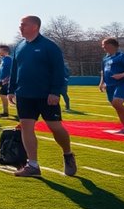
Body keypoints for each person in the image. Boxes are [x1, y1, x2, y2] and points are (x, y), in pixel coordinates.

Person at [8, 15, 76, 178]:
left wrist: (55, 91)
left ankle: (68, 154)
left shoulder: (49, 46)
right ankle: (33, 165)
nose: (20, 27)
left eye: (23, 24)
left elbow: (59, 70)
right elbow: (15, 69)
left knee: (55, 127)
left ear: (35, 27)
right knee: (26, 126)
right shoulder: (19, 46)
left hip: (46, 95)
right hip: (24, 94)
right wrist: (11, 89)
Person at [0, 45, 13, 117]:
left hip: (8, 81)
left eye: (0, 50)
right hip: (3, 81)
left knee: (5, 94)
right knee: (2, 94)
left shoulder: (8, 59)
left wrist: (7, 79)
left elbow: (13, 70)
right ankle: (5, 112)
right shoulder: (4, 59)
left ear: (4, 50)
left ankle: (6, 112)